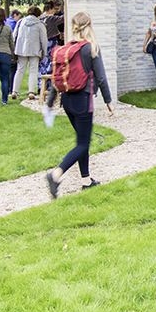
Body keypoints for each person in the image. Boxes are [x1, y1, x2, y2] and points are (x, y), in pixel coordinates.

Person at [44, 12, 115, 198]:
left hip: (67, 100)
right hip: (83, 101)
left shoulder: (66, 49)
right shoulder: (90, 48)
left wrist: (50, 102)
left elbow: (56, 78)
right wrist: (108, 101)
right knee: (83, 143)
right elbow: (100, 76)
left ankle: (86, 180)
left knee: (81, 141)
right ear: (89, 25)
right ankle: (56, 174)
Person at [10, 5, 46, 100]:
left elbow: (14, 36)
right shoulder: (39, 24)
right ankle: (31, 92)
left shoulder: (21, 22)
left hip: (21, 49)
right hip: (35, 50)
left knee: (20, 70)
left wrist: (14, 49)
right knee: (33, 71)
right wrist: (44, 52)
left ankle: (14, 91)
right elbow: (43, 39)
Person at [38, 0, 65, 94]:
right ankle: (48, 86)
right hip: (50, 42)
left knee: (41, 64)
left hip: (41, 43)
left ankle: (40, 85)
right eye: (54, 9)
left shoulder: (40, 18)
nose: (55, 11)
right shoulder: (50, 18)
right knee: (50, 64)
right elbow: (62, 18)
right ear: (50, 9)